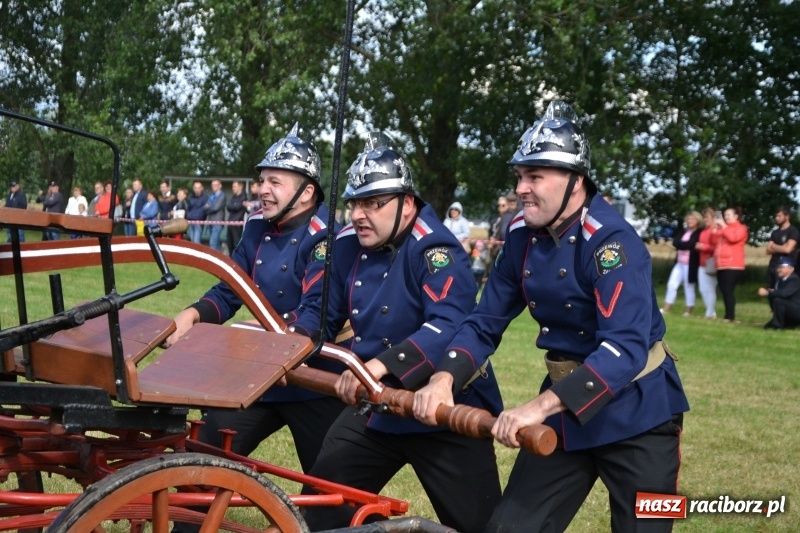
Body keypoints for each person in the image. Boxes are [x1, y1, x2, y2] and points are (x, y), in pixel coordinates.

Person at [414, 101, 689, 533]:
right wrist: (444, 377)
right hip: (565, 411)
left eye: (535, 176)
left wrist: (538, 407)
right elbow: (484, 320)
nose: (522, 187)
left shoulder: (613, 242)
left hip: (641, 412)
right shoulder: (522, 237)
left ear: (575, 182)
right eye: (519, 176)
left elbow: (624, 349)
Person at [292, 134, 502, 533]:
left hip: (444, 411)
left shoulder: (436, 250)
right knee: (321, 505)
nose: (358, 214)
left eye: (373, 203)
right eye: (354, 202)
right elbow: (322, 315)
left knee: (482, 526)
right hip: (377, 410)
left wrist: (377, 366)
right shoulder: (349, 246)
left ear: (407, 204)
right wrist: (289, 343)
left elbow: (448, 324)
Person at [165, 124, 344, 525]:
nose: (262, 189)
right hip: (259, 378)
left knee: (334, 491)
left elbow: (317, 314)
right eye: (262, 180)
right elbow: (231, 290)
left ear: (307, 191)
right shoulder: (256, 228)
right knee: (203, 462)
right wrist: (192, 315)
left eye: (274, 182)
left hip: (316, 382)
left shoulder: (328, 238)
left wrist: (276, 346)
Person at [660, 210, 702, 316]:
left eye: (692, 219)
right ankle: (666, 308)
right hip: (679, 263)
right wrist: (684, 244)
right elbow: (675, 242)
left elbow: (690, 244)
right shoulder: (684, 231)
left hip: (690, 264)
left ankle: (688, 311)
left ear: (697, 220)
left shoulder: (698, 232)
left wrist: (682, 244)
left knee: (689, 287)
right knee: (671, 284)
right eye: (688, 219)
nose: (689, 221)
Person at [714, 206, 748, 322]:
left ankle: (730, 316)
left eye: (729, 215)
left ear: (736, 216)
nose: (726, 217)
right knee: (724, 290)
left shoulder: (741, 228)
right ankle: (728, 315)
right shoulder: (724, 228)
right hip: (721, 264)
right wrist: (716, 228)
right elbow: (713, 241)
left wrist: (723, 226)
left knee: (728, 290)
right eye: (725, 215)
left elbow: (733, 238)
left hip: (733, 265)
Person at [759, 257, 800, 330]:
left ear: (791, 269)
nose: (779, 270)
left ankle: (778, 326)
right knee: (767, 327)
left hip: (796, 311)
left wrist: (767, 293)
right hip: (788, 310)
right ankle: (782, 322)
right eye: (778, 268)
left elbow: (784, 293)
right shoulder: (779, 281)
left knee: (779, 300)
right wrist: (771, 292)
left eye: (782, 267)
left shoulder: (795, 280)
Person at [764, 206, 799, 290]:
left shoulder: (793, 231)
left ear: (787, 216)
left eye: (779, 216)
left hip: (786, 266)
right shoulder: (774, 233)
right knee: (771, 290)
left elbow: (788, 249)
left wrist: (774, 246)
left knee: (782, 291)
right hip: (773, 265)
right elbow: (768, 250)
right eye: (776, 216)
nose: (777, 218)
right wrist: (782, 247)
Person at [695, 207, 720, 318]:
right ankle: (710, 311)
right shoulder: (704, 231)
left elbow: (716, 247)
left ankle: (710, 312)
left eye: (707, 217)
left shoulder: (716, 230)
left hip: (711, 263)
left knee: (710, 288)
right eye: (704, 217)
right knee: (702, 288)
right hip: (701, 262)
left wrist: (703, 247)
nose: (705, 220)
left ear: (714, 218)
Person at [487, 195, 514, 277]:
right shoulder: (495, 219)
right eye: (499, 205)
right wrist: (490, 239)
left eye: (503, 205)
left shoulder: (511, 217)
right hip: (493, 248)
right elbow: (491, 231)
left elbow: (504, 233)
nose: (500, 207)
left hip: (504, 248)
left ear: (508, 205)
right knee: (491, 269)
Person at [203, 179, 226, 251]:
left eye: (216, 185)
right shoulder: (211, 196)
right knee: (215, 243)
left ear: (220, 186)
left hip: (218, 222)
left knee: (213, 242)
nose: (214, 187)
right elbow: (204, 207)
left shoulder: (222, 195)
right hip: (210, 221)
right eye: (213, 185)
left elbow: (216, 208)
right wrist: (209, 208)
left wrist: (208, 208)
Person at [225, 180, 247, 253]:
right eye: (232, 186)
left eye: (234, 186)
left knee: (236, 244)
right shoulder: (234, 196)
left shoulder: (244, 196)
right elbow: (228, 207)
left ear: (240, 187)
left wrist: (234, 205)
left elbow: (237, 207)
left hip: (237, 223)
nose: (233, 188)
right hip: (230, 222)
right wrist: (234, 205)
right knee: (229, 244)